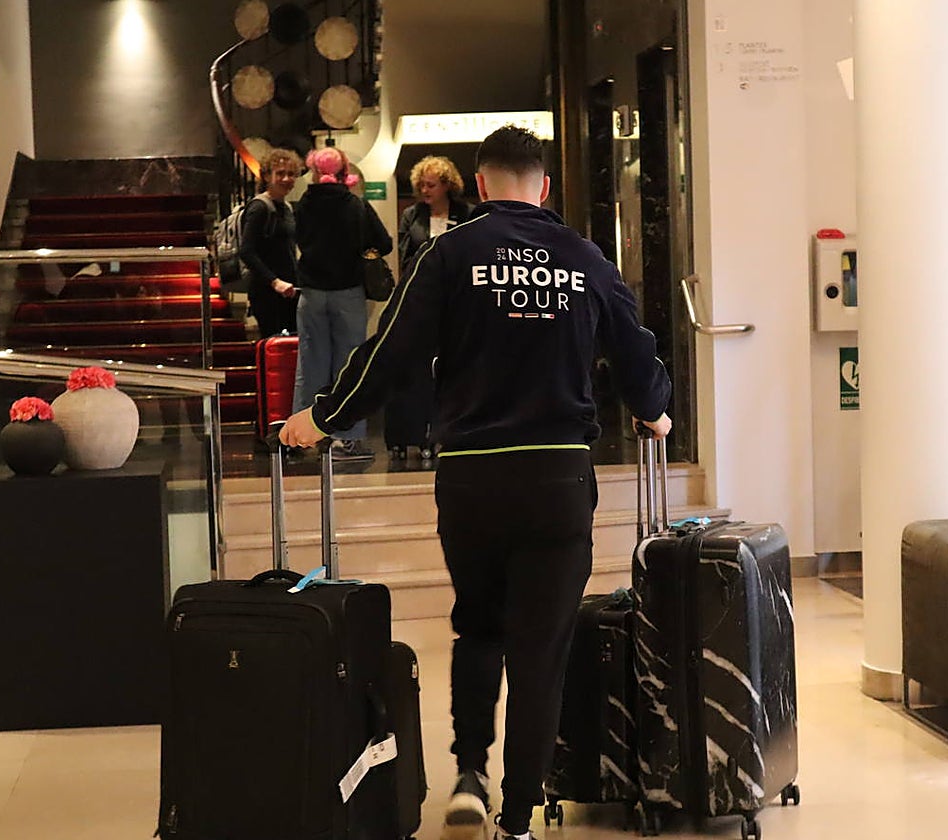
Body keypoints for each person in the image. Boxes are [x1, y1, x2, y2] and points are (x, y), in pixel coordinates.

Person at [281, 125, 671, 840]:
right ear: (544, 186)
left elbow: (391, 351)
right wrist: (655, 412)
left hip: (472, 478)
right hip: (557, 473)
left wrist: (325, 416)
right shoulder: (585, 258)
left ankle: (469, 773)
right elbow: (637, 357)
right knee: (541, 651)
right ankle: (516, 822)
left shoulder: (450, 252)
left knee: (478, 626)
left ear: (482, 184)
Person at [291, 145, 393, 460]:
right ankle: (345, 438)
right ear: (343, 172)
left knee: (310, 364)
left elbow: (294, 239)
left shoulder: (301, 206)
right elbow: (384, 243)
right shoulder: (356, 206)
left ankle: (298, 437)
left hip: (310, 293)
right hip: (348, 292)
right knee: (349, 366)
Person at [386, 155, 474, 464]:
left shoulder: (466, 214)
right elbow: (405, 255)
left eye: (431, 185)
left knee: (457, 364)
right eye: (421, 185)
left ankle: (453, 429)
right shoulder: (412, 215)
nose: (425, 190)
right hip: (423, 297)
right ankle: (417, 432)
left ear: (447, 186)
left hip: (460, 298)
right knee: (419, 368)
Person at [239, 148, 302, 339]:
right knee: (273, 347)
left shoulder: (287, 208)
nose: (286, 179)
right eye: (280, 173)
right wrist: (274, 282)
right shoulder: (259, 207)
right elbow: (247, 251)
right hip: (267, 292)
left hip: (288, 291)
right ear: (267, 176)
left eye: (291, 174)